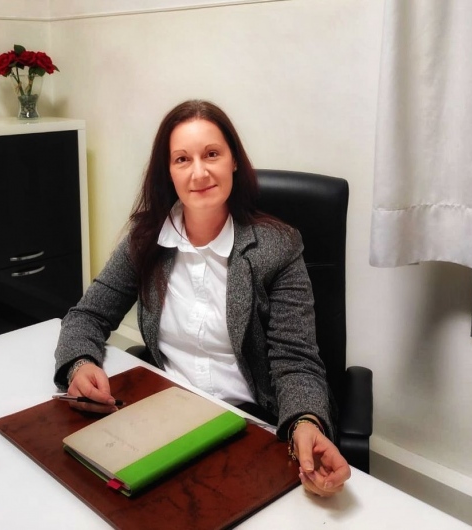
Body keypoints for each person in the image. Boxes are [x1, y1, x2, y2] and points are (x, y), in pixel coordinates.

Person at [54, 99, 351, 497]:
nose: (199, 172)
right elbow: (87, 315)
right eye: (182, 159)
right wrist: (80, 363)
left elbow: (295, 359)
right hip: (165, 421)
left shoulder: (277, 247)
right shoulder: (146, 240)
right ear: (168, 172)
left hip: (250, 426)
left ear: (233, 161)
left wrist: (306, 421)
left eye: (212, 154)